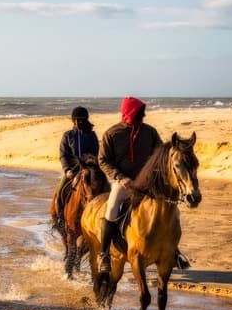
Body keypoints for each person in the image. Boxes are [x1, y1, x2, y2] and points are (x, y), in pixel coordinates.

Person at [97, 96, 162, 274]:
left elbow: (160, 154)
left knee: (168, 208)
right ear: (130, 113)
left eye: (142, 113)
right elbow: (102, 160)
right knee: (111, 209)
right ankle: (103, 254)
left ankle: (174, 251)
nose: (143, 116)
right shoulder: (112, 134)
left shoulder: (150, 132)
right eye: (139, 113)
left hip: (146, 183)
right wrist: (120, 176)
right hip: (123, 182)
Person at [53, 106, 100, 226]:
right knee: (60, 192)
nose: (79, 122)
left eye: (82, 120)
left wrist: (90, 166)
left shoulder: (91, 135)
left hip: (89, 169)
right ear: (73, 120)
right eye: (77, 120)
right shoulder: (67, 136)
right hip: (72, 170)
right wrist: (67, 169)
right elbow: (63, 155)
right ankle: (60, 220)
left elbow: (96, 153)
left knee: (105, 187)